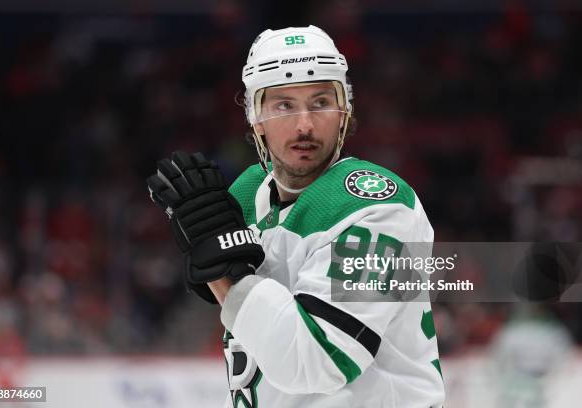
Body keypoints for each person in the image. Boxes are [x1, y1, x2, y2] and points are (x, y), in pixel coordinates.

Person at [147, 25, 445, 407]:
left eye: (320, 102)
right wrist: (211, 262)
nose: (304, 124)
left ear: (344, 112)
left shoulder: (377, 205)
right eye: (284, 105)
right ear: (256, 116)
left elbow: (317, 363)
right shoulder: (246, 191)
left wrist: (219, 264)